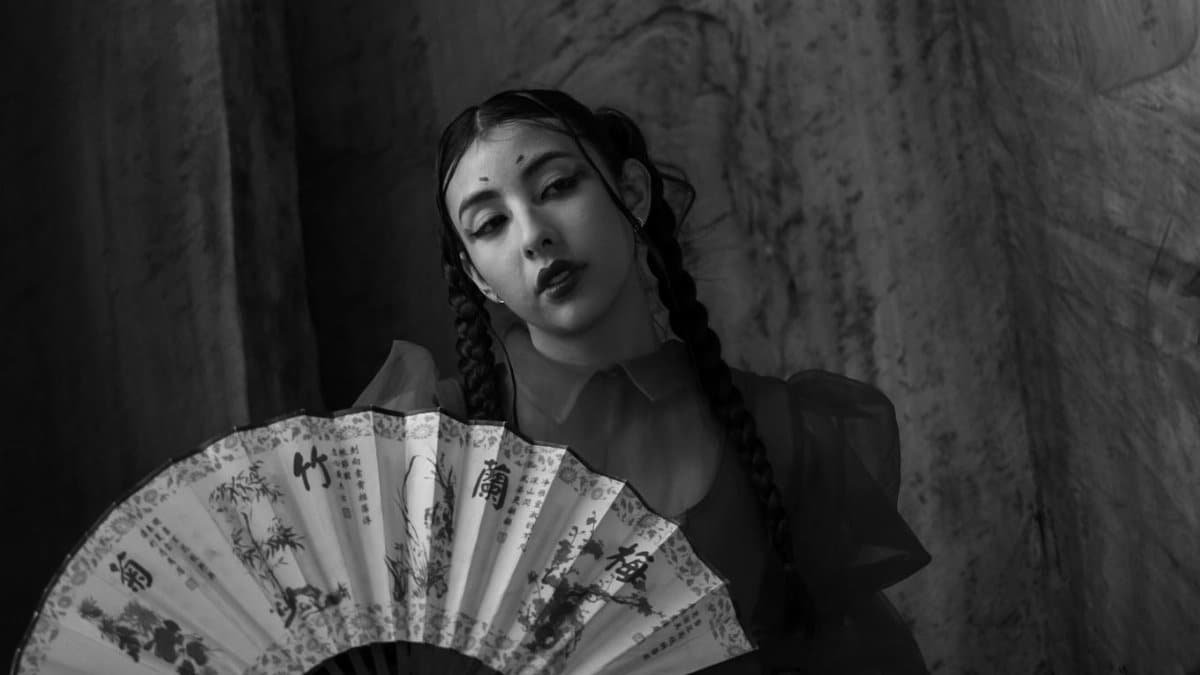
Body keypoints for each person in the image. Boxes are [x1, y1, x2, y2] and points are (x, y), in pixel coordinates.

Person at [354, 88, 932, 673]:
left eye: (557, 186)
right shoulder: (432, 453)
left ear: (631, 192)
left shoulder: (780, 429)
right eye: (491, 223)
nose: (533, 235)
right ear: (477, 276)